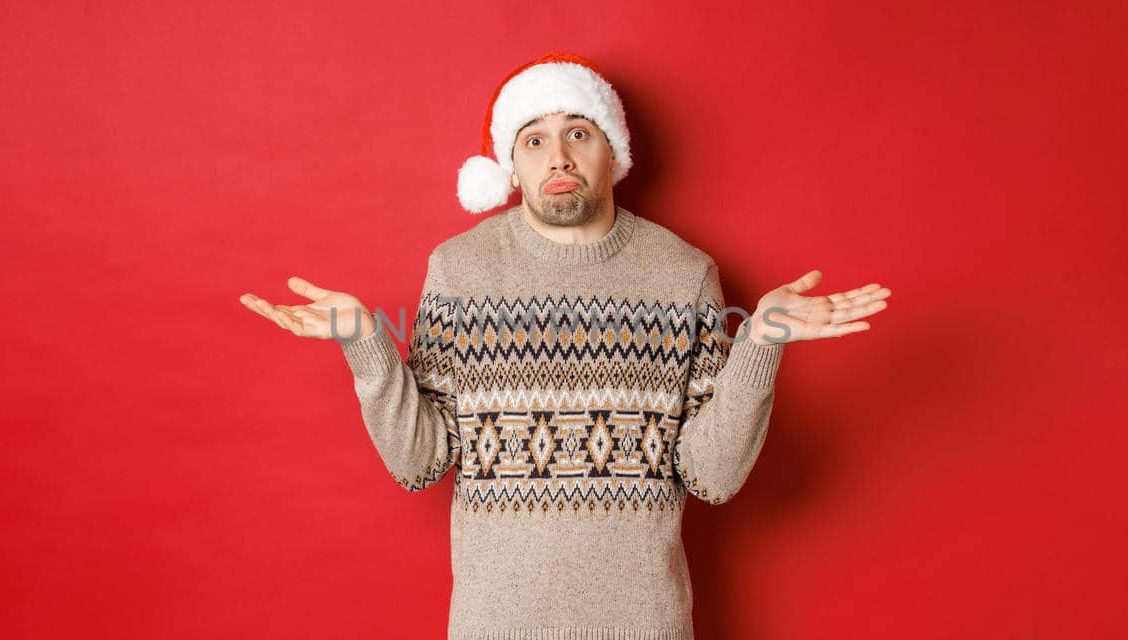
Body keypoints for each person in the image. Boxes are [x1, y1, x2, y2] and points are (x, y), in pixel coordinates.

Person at [239, 51, 891, 640]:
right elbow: (420, 461)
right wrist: (366, 343)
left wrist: (761, 342)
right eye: (534, 140)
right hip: (495, 627)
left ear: (613, 153)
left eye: (578, 133)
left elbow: (712, 476)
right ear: (512, 168)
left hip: (646, 625)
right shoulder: (460, 270)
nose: (558, 156)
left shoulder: (683, 273)